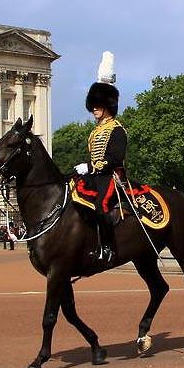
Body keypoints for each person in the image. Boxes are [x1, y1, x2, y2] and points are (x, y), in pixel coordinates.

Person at [73, 51, 127, 266]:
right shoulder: (95, 131)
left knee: (101, 205)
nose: (94, 108)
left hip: (111, 176)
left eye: (99, 105)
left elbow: (115, 157)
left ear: (108, 106)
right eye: (93, 105)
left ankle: (107, 248)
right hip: (95, 176)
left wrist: (90, 166)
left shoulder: (117, 129)